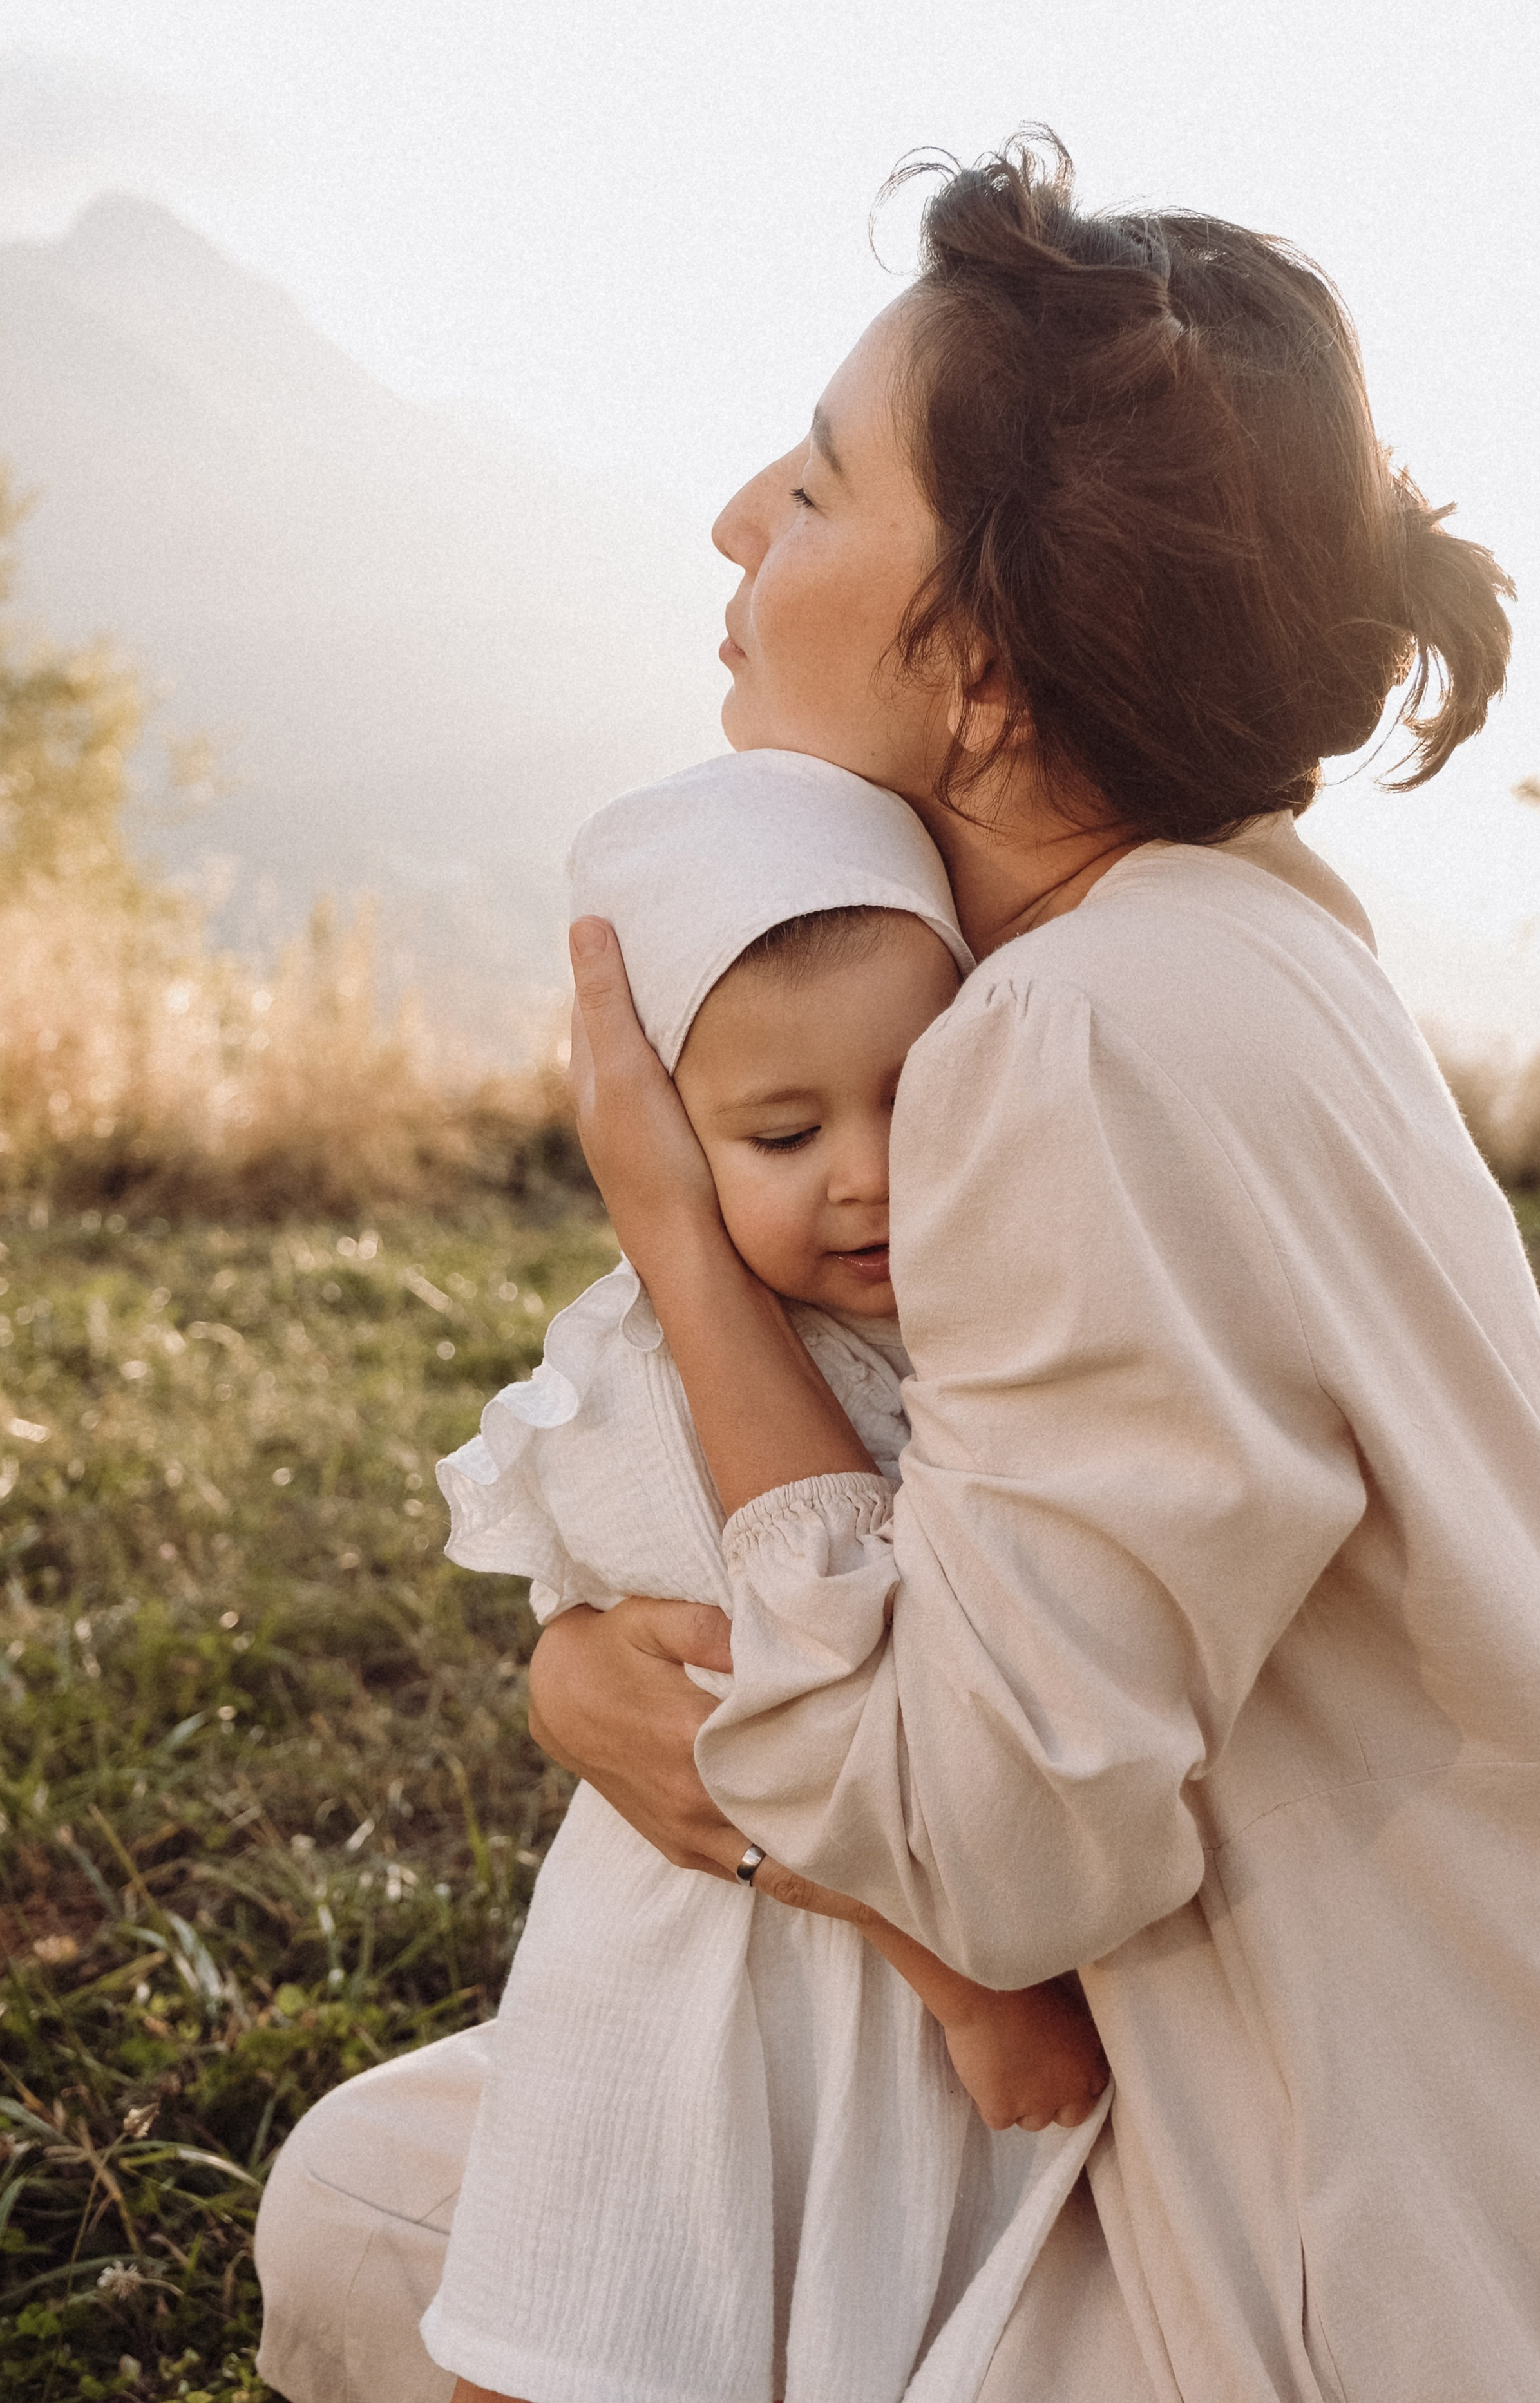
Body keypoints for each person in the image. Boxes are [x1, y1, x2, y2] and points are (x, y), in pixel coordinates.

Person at [533, 140, 1540, 2400]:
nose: (744, 514)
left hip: (1340, 2239)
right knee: (437, 2191)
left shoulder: (1075, 1042)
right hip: (1500, 2124)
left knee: (421, 2235)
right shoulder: (1229, 927)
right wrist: (591, 1675)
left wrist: (681, 1229)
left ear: (991, 667)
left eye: (828, 488)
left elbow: (993, 1848)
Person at [415, 748, 1107, 2403]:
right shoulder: (659, 1384)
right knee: (608, 2336)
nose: (866, 1172)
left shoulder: (979, 1320)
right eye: (782, 1132)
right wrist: (973, 1993)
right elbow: (778, 1711)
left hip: (895, 2028)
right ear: (659, 1131)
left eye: (914, 1099)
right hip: (704, 2006)